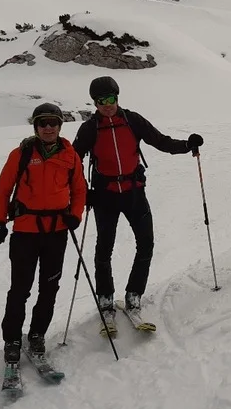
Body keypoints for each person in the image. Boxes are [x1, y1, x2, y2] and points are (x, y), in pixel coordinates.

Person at [71, 76, 201, 331]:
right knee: (104, 249)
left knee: (146, 243)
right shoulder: (89, 129)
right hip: (105, 195)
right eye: (101, 101)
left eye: (110, 99)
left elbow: (160, 141)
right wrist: (82, 192)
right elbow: (73, 162)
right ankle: (106, 300)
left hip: (134, 192)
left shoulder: (132, 120)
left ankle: (134, 296)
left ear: (117, 97)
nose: (107, 105)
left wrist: (187, 145)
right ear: (95, 103)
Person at [0, 103, 87, 366]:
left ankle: (37, 334)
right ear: (35, 126)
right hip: (25, 231)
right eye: (43, 123)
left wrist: (75, 215)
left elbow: (80, 190)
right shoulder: (20, 154)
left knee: (49, 287)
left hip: (57, 231)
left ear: (60, 126)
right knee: (20, 288)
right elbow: (3, 190)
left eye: (53, 123)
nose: (48, 128)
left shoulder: (70, 155)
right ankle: (12, 339)